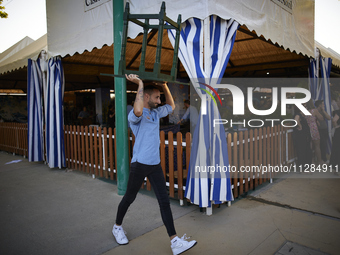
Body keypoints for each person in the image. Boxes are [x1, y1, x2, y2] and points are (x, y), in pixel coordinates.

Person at [112, 74, 197, 255]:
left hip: (154, 164)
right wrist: (140, 84)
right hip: (139, 164)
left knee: (164, 201)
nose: (160, 101)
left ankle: (174, 241)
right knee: (129, 198)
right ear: (147, 97)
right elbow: (137, 110)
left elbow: (172, 106)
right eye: (157, 97)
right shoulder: (137, 114)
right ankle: (117, 227)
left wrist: (165, 86)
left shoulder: (156, 113)